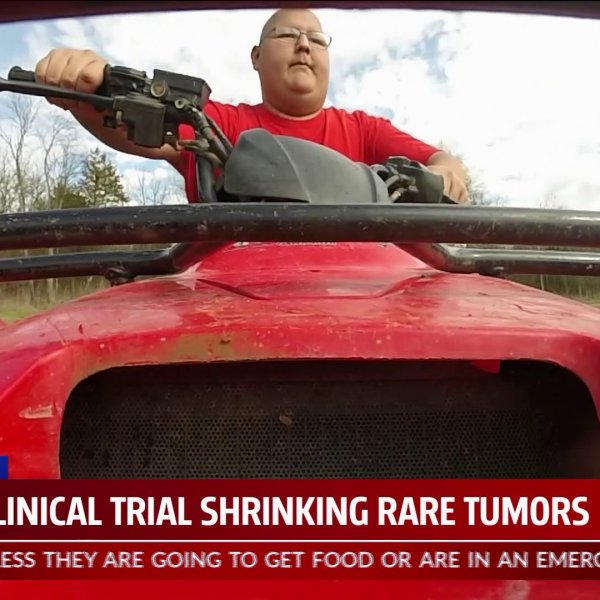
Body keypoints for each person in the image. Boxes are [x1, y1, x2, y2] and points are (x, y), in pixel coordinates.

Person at [34, 8, 469, 204]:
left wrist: (447, 173)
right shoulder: (217, 122)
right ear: (256, 57)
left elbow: (441, 161)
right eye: (286, 35)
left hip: (362, 302)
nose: (303, 44)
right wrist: (85, 93)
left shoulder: (364, 130)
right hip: (227, 305)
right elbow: (142, 133)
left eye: (316, 39)